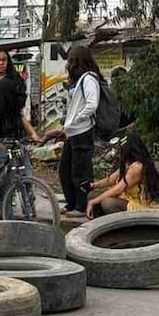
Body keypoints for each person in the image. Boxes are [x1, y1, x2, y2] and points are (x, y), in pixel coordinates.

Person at [58, 45, 102, 217]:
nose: (67, 64)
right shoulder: (78, 80)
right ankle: (71, 202)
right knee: (65, 169)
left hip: (82, 131)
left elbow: (92, 104)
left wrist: (77, 120)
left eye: (70, 60)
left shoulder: (89, 79)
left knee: (80, 171)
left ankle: (82, 206)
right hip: (72, 132)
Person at [86, 132, 159, 218]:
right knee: (92, 195)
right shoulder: (127, 164)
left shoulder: (138, 167)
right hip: (128, 199)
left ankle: (124, 228)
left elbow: (117, 189)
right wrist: (93, 185)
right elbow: (111, 180)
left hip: (142, 207)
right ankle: (100, 223)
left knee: (108, 203)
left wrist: (93, 202)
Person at [0, 75, 41, 173]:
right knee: (4, 181)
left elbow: (29, 129)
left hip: (18, 149)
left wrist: (35, 137)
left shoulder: (16, 112)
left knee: (26, 176)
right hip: (1, 150)